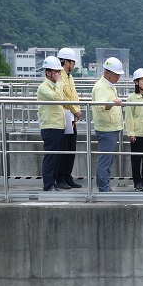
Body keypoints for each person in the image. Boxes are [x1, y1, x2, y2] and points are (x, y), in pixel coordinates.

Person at [91, 57, 124, 192]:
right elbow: (100, 106)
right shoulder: (101, 87)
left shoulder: (109, 86)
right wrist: (113, 102)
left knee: (108, 160)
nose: (118, 77)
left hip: (111, 127)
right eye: (116, 74)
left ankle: (105, 186)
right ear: (107, 72)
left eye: (118, 75)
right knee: (105, 160)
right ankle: (103, 188)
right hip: (106, 128)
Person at [36, 56, 66, 191]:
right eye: (56, 72)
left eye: (59, 72)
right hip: (50, 126)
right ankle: (48, 184)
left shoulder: (54, 86)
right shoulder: (43, 88)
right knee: (50, 156)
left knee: (57, 157)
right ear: (48, 73)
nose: (59, 75)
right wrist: (60, 82)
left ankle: (53, 182)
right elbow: (58, 98)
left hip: (59, 125)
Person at [57, 47, 82, 188]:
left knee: (71, 147)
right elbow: (64, 97)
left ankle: (67, 176)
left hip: (71, 115)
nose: (74, 64)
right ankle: (60, 178)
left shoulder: (70, 77)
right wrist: (75, 110)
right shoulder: (59, 76)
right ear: (66, 62)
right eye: (72, 62)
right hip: (64, 115)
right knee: (64, 148)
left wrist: (77, 110)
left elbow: (74, 95)